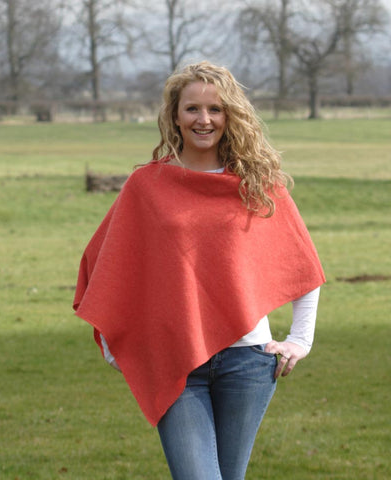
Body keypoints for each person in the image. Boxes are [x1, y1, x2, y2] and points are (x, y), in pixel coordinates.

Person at [73, 61, 325, 480]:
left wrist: (301, 339)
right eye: (192, 108)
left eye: (215, 109)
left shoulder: (257, 184)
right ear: (175, 115)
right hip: (175, 362)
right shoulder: (147, 185)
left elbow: (302, 264)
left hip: (248, 362)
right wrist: (115, 347)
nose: (203, 119)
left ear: (231, 116)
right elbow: (107, 265)